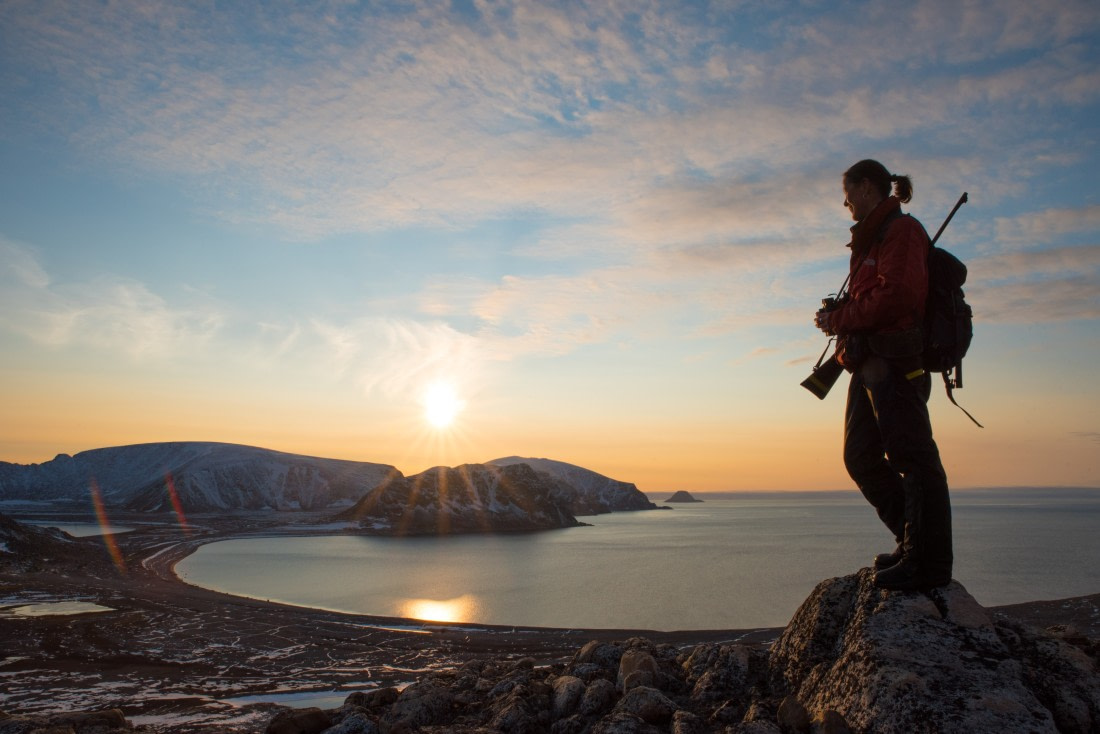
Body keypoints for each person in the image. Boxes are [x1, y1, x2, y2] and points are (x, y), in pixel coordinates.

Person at [813, 159, 952, 591]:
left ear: (869, 188)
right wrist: (842, 316)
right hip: (867, 362)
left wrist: (841, 319)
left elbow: (899, 296)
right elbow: (876, 296)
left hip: (895, 363)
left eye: (848, 192)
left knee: (913, 458)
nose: (845, 202)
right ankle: (910, 540)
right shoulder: (872, 239)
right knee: (860, 457)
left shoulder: (902, 232)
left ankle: (927, 563)